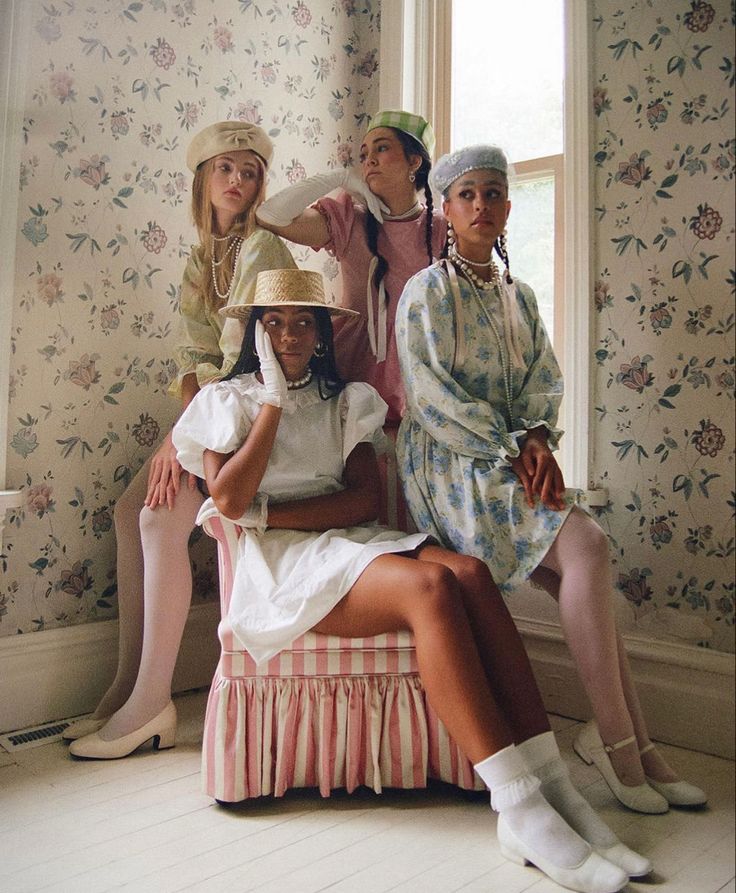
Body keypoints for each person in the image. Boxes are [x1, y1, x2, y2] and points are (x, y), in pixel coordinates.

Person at [169, 267, 648, 893]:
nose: (289, 335)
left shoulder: (346, 401)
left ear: (320, 334)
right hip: (282, 566)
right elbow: (229, 500)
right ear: (255, 332)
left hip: (344, 544)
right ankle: (519, 803)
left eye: (303, 322)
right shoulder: (224, 402)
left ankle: (555, 788)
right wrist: (273, 405)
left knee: (470, 574)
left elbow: (364, 501)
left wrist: (273, 512)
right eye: (274, 322)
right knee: (431, 588)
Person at [395, 144, 707, 816]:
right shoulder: (427, 291)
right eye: (468, 194)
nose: (483, 206)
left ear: (508, 206)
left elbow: (543, 382)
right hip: (451, 468)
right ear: (445, 209)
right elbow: (431, 399)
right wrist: (515, 444)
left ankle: (633, 743)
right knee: (588, 546)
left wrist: (536, 436)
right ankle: (624, 749)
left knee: (581, 566)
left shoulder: (520, 296)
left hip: (508, 459)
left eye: (494, 193)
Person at [67, 121, 296, 759]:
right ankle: (125, 687)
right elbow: (196, 353)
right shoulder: (202, 257)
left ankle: (151, 703)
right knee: (127, 510)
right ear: (203, 178)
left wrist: (182, 437)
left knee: (159, 520)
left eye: (249, 172)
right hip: (215, 405)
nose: (238, 182)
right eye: (225, 169)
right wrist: (182, 428)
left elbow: (243, 361)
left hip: (259, 412)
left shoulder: (263, 252)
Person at [255, 110, 445, 527]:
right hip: (354, 366)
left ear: (415, 162)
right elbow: (270, 216)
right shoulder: (350, 219)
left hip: (420, 374)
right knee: (362, 493)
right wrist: (340, 179)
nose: (369, 160)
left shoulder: (441, 231)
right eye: (363, 154)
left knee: (417, 506)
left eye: (382, 148)